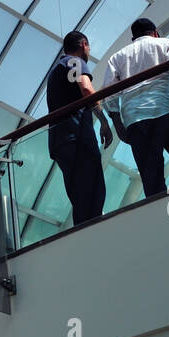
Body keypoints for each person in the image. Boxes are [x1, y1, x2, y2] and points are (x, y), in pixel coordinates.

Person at [102, 18, 169, 198]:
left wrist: (118, 124)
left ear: (133, 37)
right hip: (167, 110)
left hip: (136, 121)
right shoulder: (167, 43)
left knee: (151, 177)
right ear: (155, 32)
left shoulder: (116, 58)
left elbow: (109, 93)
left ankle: (161, 218)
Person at [45, 31, 113, 226]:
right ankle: (93, 236)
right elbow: (86, 88)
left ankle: (84, 236)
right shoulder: (74, 62)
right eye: (89, 47)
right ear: (83, 45)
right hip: (77, 139)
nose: (89, 51)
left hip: (60, 142)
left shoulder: (56, 70)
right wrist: (104, 121)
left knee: (80, 196)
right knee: (93, 191)